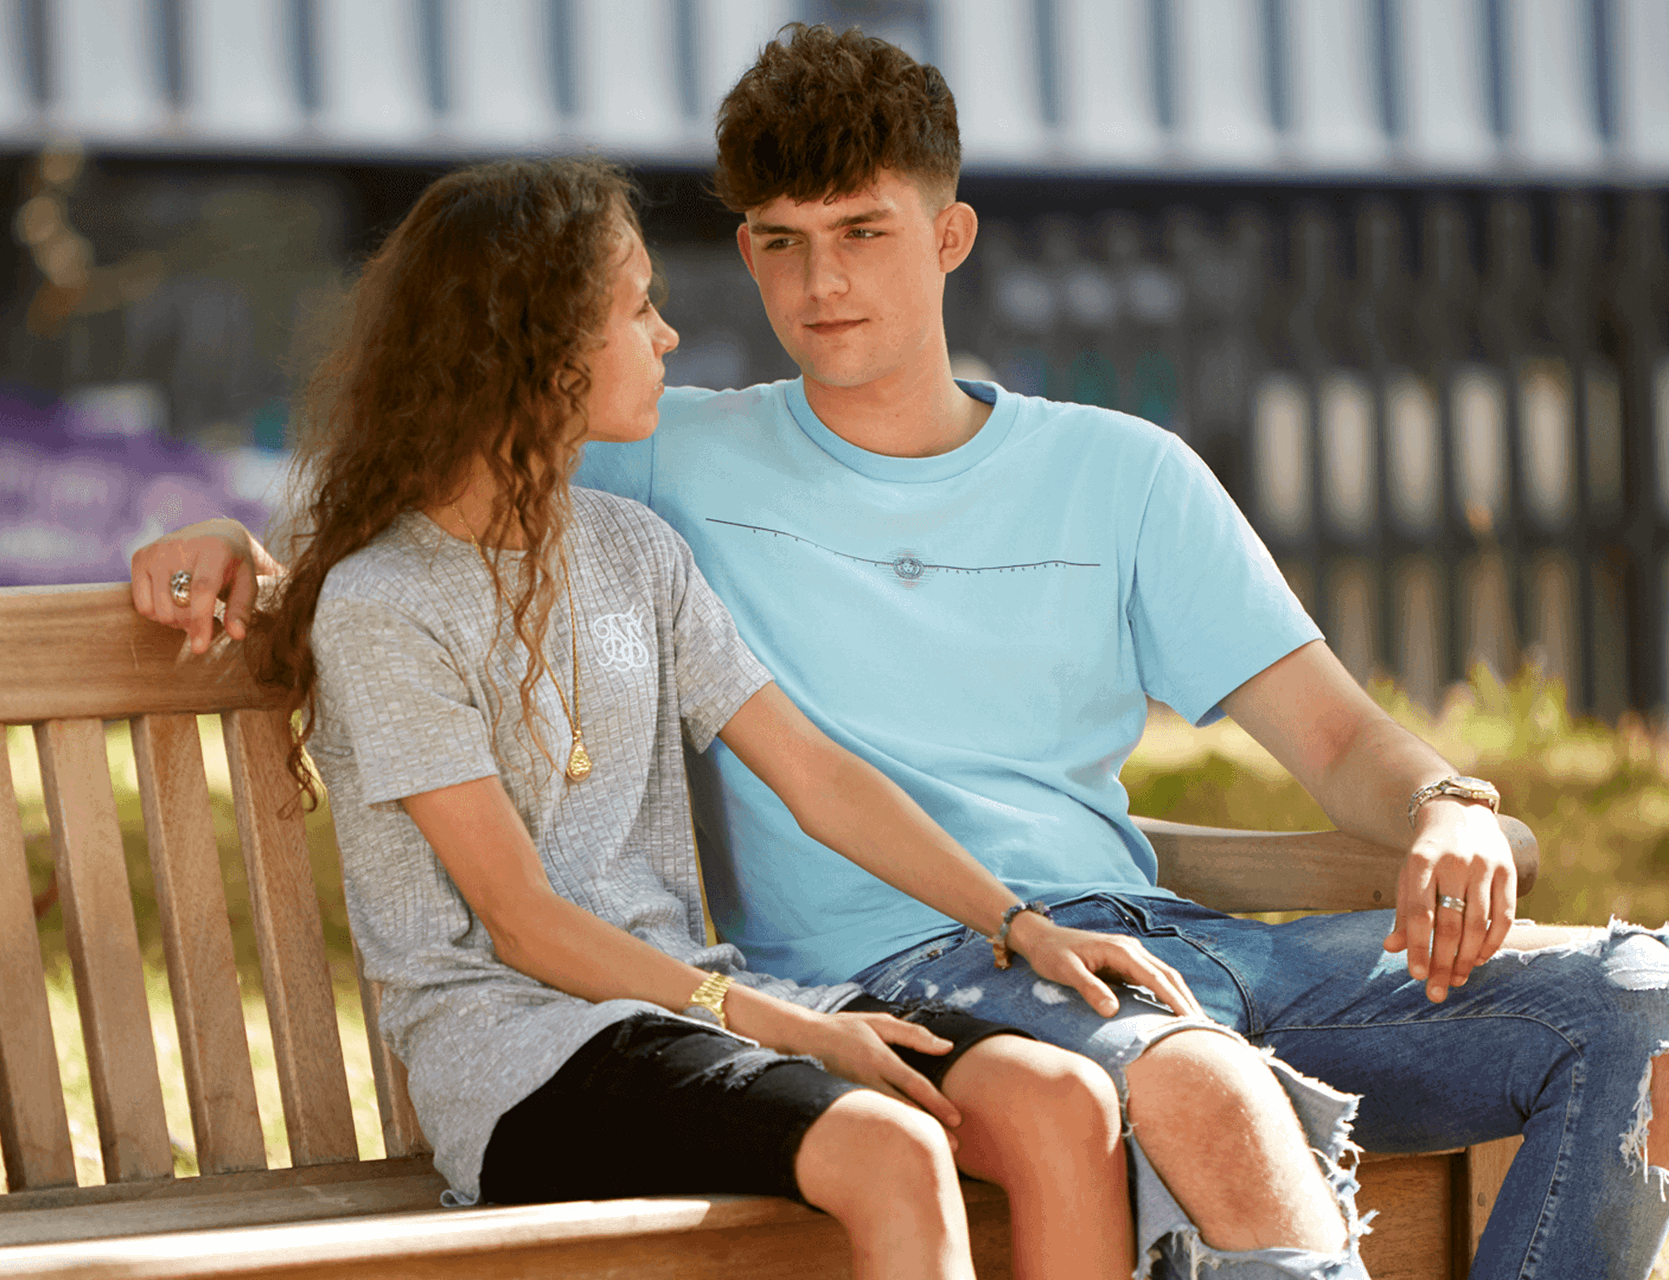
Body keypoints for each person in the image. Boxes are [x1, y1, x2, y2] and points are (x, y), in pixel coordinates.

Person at [133, 25, 1669, 1280]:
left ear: (951, 234)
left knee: (1635, 1004)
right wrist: (228, 540)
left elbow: (1339, 745)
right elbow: (432, 495)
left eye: (863, 233)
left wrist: (1456, 801)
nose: (818, 287)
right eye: (778, 245)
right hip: (911, 976)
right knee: (1193, 1080)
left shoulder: (1122, 472)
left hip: (1149, 939)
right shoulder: (672, 467)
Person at [158, 153, 1218, 1280]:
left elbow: (813, 771)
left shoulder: (633, 551)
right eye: (639, 307)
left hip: (687, 996)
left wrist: (1018, 920)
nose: (668, 336)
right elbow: (519, 922)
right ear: (541, 346)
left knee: (1060, 1096)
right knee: (895, 1144)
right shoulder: (387, 602)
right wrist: (790, 1025)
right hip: (521, 1049)